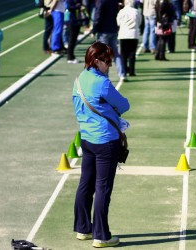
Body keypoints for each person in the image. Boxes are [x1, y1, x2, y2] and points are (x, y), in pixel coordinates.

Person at [72, 41, 130, 248]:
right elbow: (124, 104)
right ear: (97, 61)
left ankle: (82, 228)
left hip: (87, 138)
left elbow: (78, 108)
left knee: (85, 184)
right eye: (107, 61)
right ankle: (101, 235)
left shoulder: (79, 80)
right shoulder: (102, 83)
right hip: (106, 140)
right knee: (103, 188)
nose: (110, 65)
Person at [93, 0, 127, 82]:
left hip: (103, 30)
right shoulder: (114, 2)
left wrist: (94, 29)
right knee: (115, 53)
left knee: (104, 54)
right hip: (113, 29)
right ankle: (122, 74)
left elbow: (98, 15)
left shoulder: (101, 2)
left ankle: (105, 75)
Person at [117, 0, 142, 75]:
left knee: (123, 54)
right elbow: (139, 22)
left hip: (123, 34)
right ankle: (131, 71)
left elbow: (118, 22)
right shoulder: (136, 11)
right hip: (133, 34)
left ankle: (124, 70)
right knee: (132, 53)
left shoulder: (121, 12)